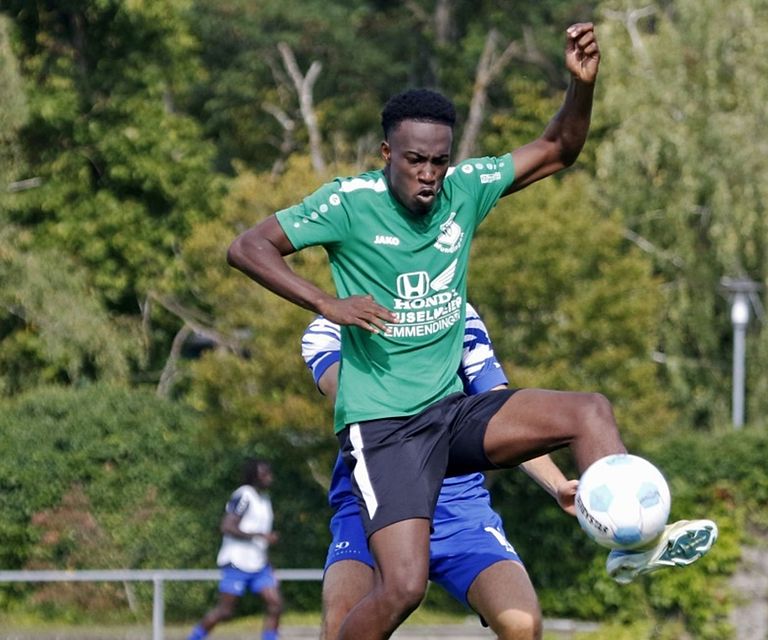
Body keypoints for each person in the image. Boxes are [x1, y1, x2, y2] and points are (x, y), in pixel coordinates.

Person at [228, 22, 716, 639]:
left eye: (438, 161)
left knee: (589, 410)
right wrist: (327, 302)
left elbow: (560, 147)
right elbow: (248, 248)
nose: (429, 175)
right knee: (402, 588)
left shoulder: (467, 189)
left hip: (450, 418)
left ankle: (628, 540)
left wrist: (580, 85)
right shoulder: (347, 203)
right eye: (414, 161)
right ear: (386, 156)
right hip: (385, 433)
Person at [303, 304, 577, 640]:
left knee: (523, 624)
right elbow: (346, 392)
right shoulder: (330, 326)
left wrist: (558, 485)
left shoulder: (459, 314)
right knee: (340, 622)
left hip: (457, 505)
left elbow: (501, 410)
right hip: (373, 501)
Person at [187, 459, 283, 640]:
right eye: (264, 474)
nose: (269, 477)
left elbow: (263, 539)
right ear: (254, 476)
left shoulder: (265, 500)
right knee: (225, 611)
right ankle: (194, 638)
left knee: (275, 604)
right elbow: (227, 526)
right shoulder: (244, 495)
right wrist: (259, 536)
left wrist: (270, 565)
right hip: (237, 562)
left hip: (259, 565)